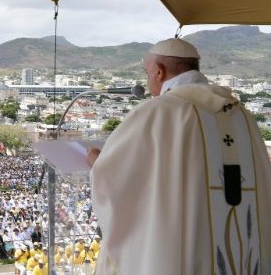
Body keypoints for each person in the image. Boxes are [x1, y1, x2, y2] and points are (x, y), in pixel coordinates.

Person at [87, 38, 271, 274]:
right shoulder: (241, 115)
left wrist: (96, 162)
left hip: (185, 252)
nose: (148, 81)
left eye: (147, 73)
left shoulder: (159, 111)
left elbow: (117, 182)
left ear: (159, 71)